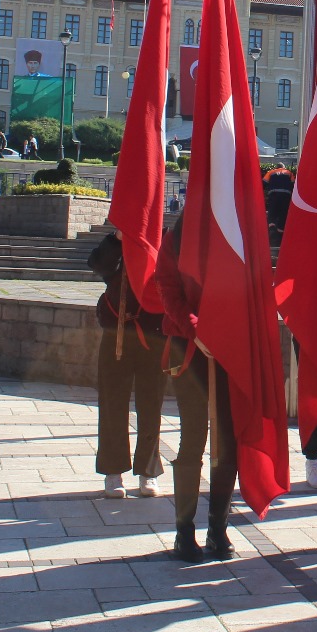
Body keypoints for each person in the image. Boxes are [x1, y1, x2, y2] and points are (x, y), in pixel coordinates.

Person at [155, 215, 236, 564]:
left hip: (229, 347)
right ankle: (183, 530)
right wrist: (197, 329)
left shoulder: (235, 230)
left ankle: (218, 528)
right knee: (193, 438)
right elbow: (169, 289)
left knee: (228, 441)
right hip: (188, 349)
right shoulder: (175, 237)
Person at [87, 233, 167, 499]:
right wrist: (117, 239)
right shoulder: (117, 241)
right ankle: (113, 471)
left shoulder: (163, 239)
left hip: (153, 335)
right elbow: (97, 265)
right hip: (117, 335)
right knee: (112, 404)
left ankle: (148, 470)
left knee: (151, 405)